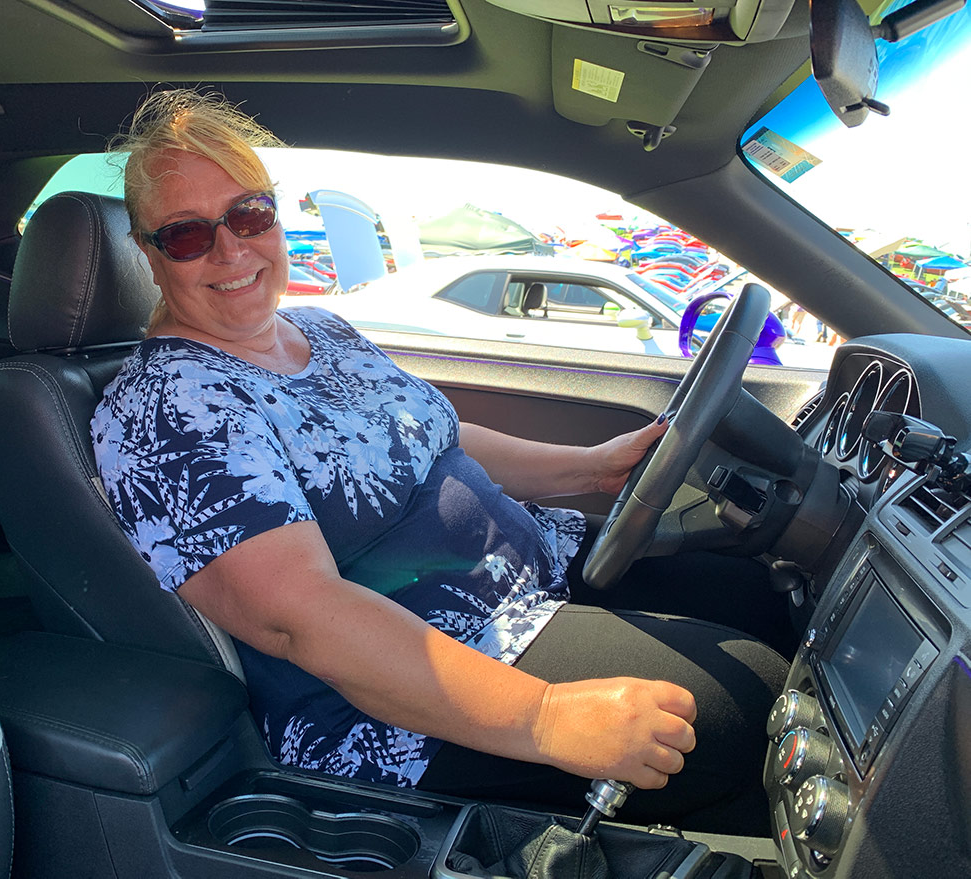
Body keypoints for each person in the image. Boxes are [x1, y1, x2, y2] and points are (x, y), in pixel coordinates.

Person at [91, 89, 787, 833]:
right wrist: (546, 717)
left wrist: (591, 467)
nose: (231, 249)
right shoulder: (163, 410)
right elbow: (302, 619)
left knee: (768, 598)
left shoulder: (318, 328)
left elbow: (434, 438)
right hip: (419, 684)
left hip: (536, 571)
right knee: (739, 708)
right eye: (187, 235)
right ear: (148, 254)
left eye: (250, 214)